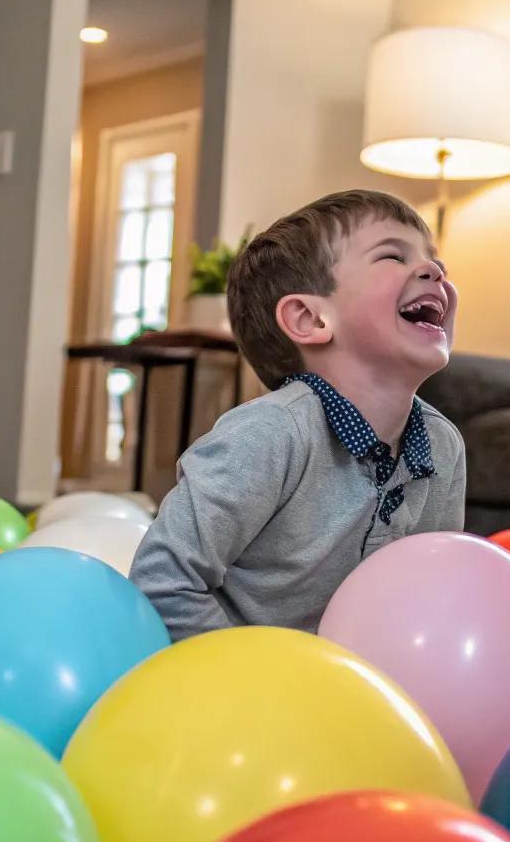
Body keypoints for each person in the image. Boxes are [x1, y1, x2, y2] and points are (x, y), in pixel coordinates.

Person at [130, 189, 465, 639]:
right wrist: (258, 677)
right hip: (244, 684)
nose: (434, 271)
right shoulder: (267, 435)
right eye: (392, 256)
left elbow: (431, 594)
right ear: (309, 319)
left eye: (434, 260)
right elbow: (163, 582)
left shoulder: (442, 446)